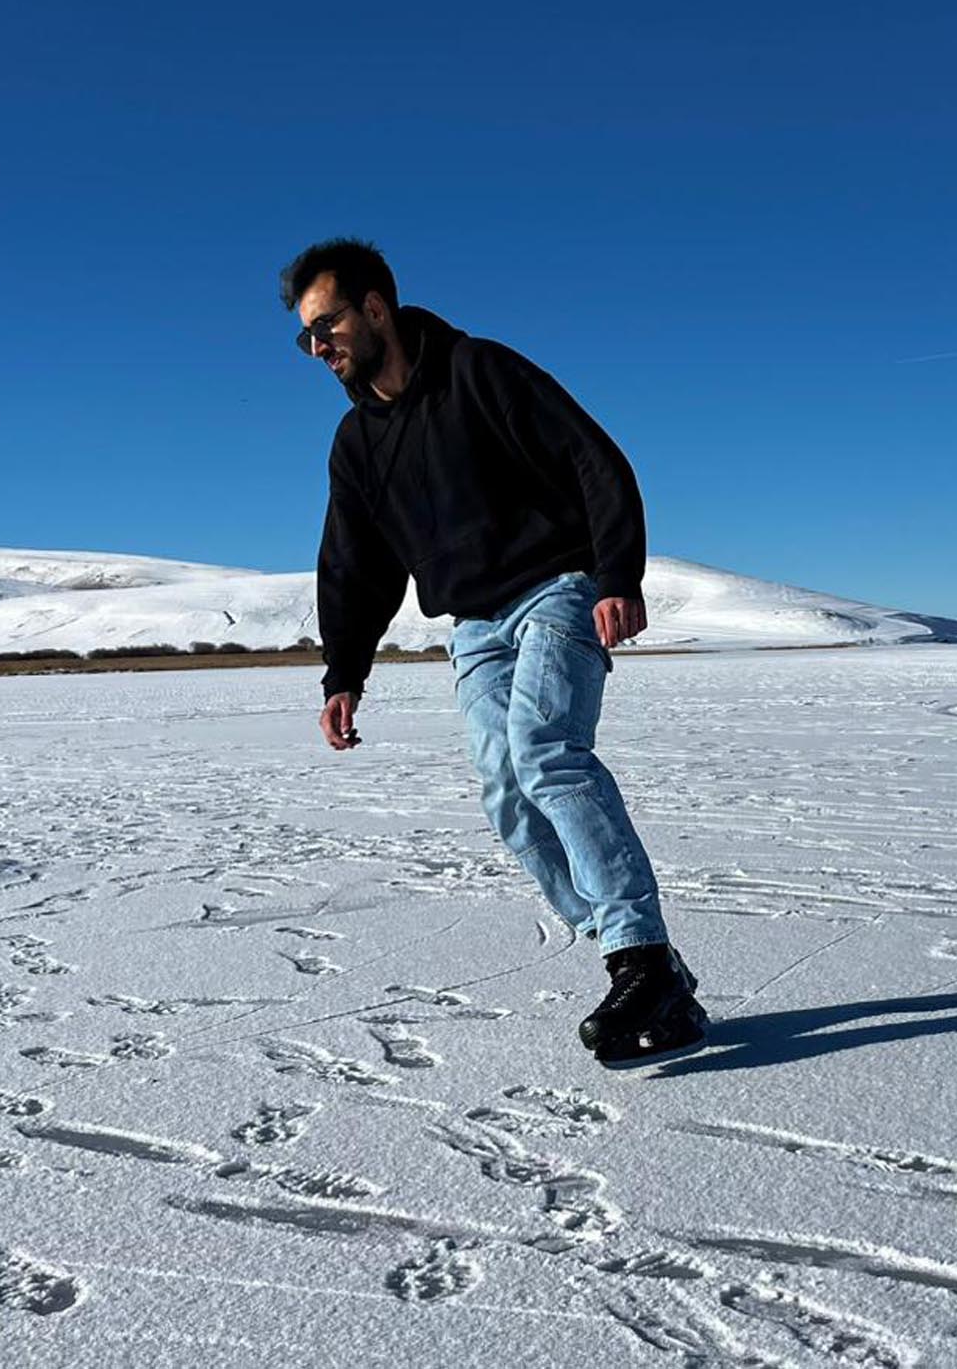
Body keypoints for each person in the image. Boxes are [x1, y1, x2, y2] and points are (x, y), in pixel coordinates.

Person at [284, 237, 705, 1067]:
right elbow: (353, 563)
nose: (317, 346)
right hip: (474, 625)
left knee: (547, 752)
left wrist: (617, 575)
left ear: (376, 308)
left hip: (556, 589)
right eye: (305, 335)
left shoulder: (479, 370)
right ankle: (638, 961)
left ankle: (641, 958)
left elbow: (593, 458)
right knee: (507, 792)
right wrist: (344, 673)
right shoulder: (356, 442)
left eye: (326, 324)